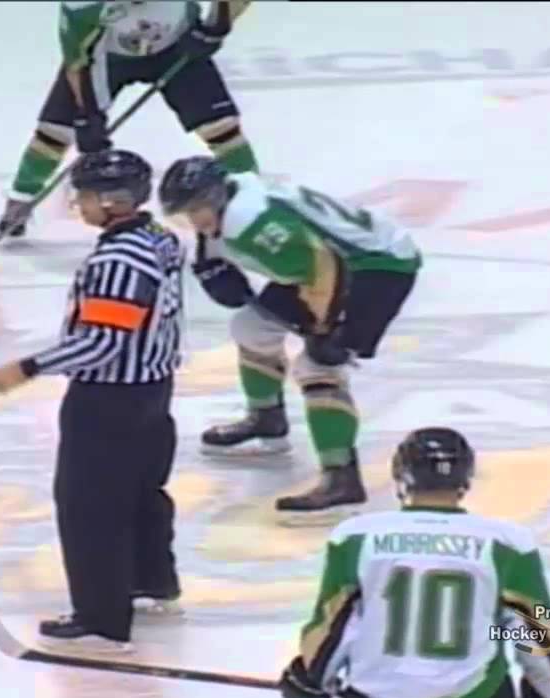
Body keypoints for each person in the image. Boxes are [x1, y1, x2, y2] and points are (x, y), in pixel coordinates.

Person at [0, 148, 185, 652]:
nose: (79, 203)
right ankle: (150, 579)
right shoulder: (160, 238)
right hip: (153, 391)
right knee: (141, 494)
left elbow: (104, 340)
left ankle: (102, 619)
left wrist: (25, 369)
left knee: (90, 506)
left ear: (112, 202)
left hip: (108, 400)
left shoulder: (118, 257)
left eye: (87, 195)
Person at [157, 157, 420, 515]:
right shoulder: (237, 196)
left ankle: (341, 475)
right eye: (186, 213)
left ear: (217, 197)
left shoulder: (249, 220)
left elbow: (325, 265)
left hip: (377, 266)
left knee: (319, 365)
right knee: (252, 328)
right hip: (337, 261)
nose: (195, 220)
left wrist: (325, 329)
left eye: (197, 209)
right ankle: (267, 417)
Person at [277, 427, 550, 698]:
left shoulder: (357, 537)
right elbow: (535, 633)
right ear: (466, 479)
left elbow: (336, 623)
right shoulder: (506, 542)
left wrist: (312, 676)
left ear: (401, 475)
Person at [0, 0, 258, 239]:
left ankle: (255, 201)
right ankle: (20, 198)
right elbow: (79, 60)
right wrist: (88, 113)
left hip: (178, 45)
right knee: (56, 131)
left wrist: (216, 26)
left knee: (221, 128)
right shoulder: (82, 5)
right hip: (107, 57)